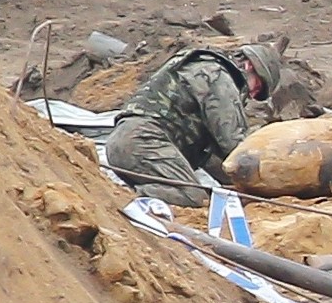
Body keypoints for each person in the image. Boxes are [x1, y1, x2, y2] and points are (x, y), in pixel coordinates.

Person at [105, 44, 282, 207]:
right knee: (192, 195)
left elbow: (209, 157)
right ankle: (120, 198)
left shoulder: (203, 67)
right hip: (145, 141)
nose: (252, 94)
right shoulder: (218, 76)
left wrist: (235, 185)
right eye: (258, 86)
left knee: (187, 193)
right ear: (250, 66)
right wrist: (264, 179)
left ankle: (119, 196)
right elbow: (234, 144)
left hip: (127, 142)